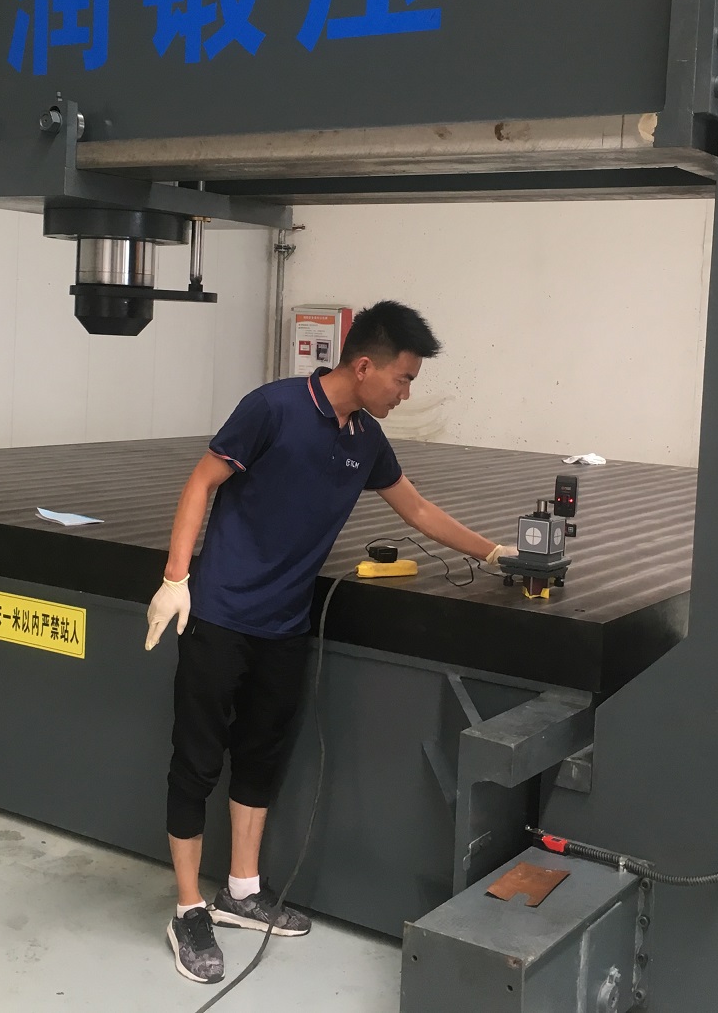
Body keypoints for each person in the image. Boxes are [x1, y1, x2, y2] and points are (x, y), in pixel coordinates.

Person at [144, 300, 518, 984]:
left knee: (259, 758)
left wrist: (494, 553)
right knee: (196, 762)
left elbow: (416, 507)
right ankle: (189, 908)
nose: (406, 394)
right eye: (403, 379)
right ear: (365, 366)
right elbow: (202, 480)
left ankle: (242, 892)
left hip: (284, 626)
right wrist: (175, 579)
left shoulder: (365, 440)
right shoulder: (273, 408)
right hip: (221, 616)